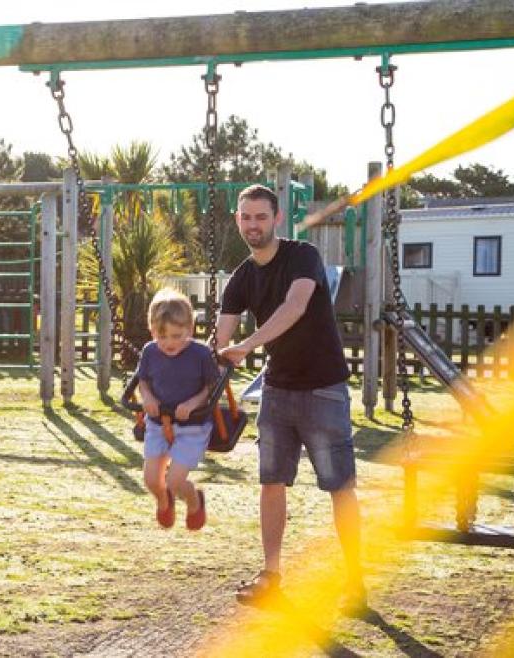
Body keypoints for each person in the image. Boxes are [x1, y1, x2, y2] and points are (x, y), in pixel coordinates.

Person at [212, 184, 366, 613]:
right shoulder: (241, 277)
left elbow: (295, 307)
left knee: (340, 487)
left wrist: (248, 346)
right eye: (246, 217)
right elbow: (221, 337)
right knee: (271, 482)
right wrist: (199, 360)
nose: (253, 225)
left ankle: (355, 581)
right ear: (237, 219)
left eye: (260, 217)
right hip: (277, 390)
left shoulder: (303, 256)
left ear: (276, 219)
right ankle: (271, 575)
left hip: (323, 388)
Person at [136, 289, 220, 531]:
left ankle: (195, 502)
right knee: (152, 480)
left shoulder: (200, 354)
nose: (169, 343)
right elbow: (143, 381)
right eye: (161, 336)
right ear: (152, 331)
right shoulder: (150, 352)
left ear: (189, 330)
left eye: (176, 335)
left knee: (174, 480)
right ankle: (165, 501)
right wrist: (148, 398)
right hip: (158, 423)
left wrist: (193, 404)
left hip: (191, 427)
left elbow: (210, 388)